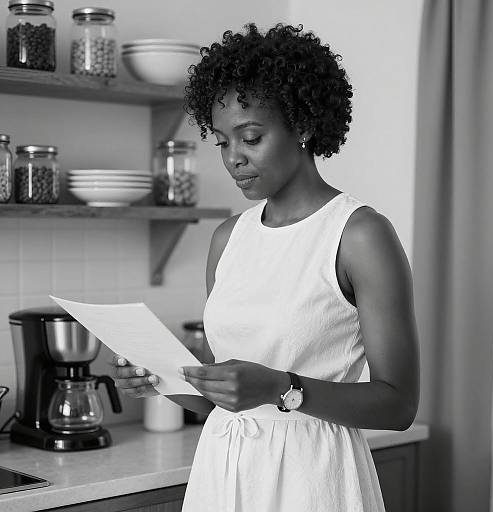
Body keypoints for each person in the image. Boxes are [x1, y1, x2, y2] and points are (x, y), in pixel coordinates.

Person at [112, 22, 419, 512]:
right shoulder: (228, 238)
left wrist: (282, 387)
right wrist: (161, 383)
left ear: (301, 125)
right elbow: (218, 395)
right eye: (222, 142)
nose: (234, 159)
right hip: (222, 472)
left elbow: (399, 404)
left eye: (250, 137)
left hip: (314, 478)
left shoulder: (358, 235)